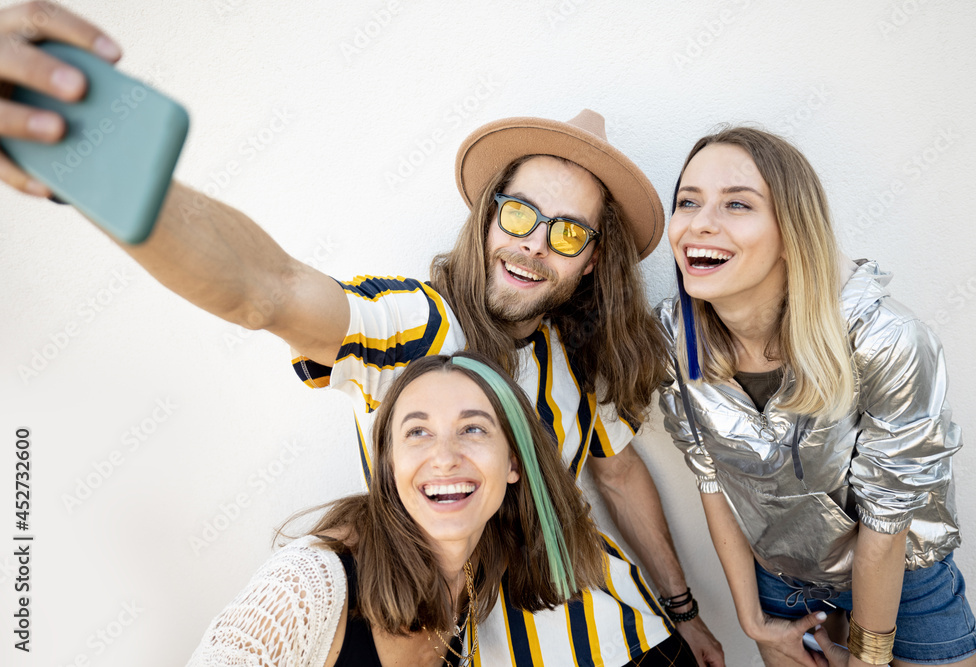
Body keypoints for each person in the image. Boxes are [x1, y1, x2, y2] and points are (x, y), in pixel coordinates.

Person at [0, 4, 724, 665]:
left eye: (567, 232)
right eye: (518, 214)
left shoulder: (578, 355)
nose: (534, 244)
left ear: (593, 257)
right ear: (487, 215)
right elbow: (268, 288)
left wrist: (685, 609)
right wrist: (107, 168)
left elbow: (619, 473)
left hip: (636, 639)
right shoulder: (418, 325)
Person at [656, 126, 976, 666]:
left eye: (737, 204)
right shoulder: (675, 340)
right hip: (782, 584)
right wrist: (752, 620)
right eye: (687, 202)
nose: (700, 223)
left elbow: (887, 516)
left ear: (790, 232)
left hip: (902, 581)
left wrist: (868, 657)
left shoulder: (884, 337)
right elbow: (710, 475)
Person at [187, 352, 609, 667]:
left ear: (514, 461)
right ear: (389, 464)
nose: (444, 457)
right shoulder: (304, 586)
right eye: (418, 432)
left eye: (473, 429)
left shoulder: (478, 568)